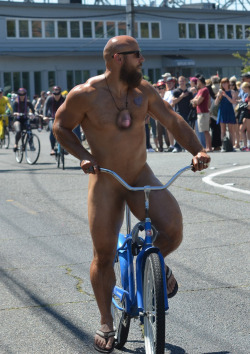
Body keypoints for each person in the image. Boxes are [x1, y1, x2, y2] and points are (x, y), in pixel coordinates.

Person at [53, 35, 210, 353]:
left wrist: (197, 151)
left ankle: (154, 266)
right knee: (104, 254)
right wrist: (83, 155)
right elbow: (60, 126)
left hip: (140, 174)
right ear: (117, 59)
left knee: (173, 230)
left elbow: (174, 120)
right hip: (105, 180)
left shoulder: (144, 91)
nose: (143, 59)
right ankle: (106, 321)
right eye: (137, 54)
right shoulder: (85, 94)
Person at [191, 75, 212, 152]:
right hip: (199, 112)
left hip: (204, 112)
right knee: (202, 130)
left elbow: (198, 101)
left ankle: (208, 147)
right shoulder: (200, 90)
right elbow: (194, 102)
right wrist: (194, 101)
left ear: (200, 81)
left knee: (206, 131)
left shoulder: (205, 90)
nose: (196, 83)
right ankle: (206, 146)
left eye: (197, 81)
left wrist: (195, 101)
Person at [215, 77, 237, 151]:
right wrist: (219, 96)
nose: (224, 84)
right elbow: (216, 103)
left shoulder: (232, 92)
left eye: (225, 83)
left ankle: (232, 146)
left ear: (228, 83)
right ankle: (224, 146)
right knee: (223, 130)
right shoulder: (220, 92)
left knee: (231, 130)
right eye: (222, 83)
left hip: (229, 111)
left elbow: (233, 102)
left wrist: (226, 95)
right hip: (222, 111)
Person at [43, 86, 65, 155]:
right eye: (55, 95)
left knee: (66, 130)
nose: (57, 96)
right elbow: (45, 107)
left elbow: (68, 108)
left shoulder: (63, 99)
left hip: (61, 118)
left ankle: (66, 147)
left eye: (58, 95)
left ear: (60, 94)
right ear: (53, 94)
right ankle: (52, 148)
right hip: (51, 118)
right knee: (53, 130)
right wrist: (45, 116)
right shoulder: (50, 99)